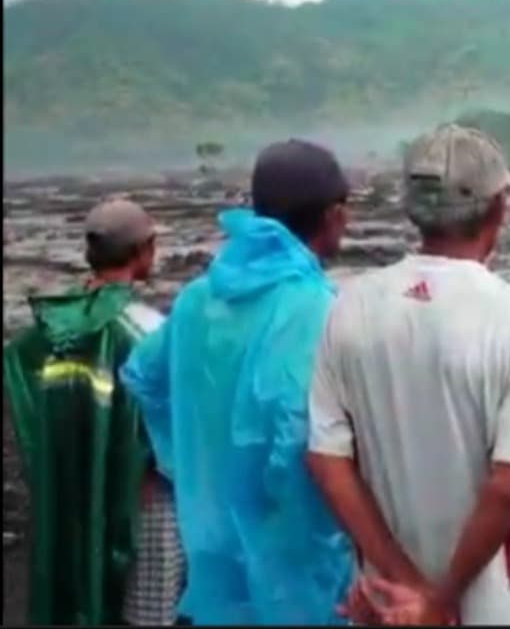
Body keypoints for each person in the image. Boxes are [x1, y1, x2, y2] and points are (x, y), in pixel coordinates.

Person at [306, 125, 510, 626]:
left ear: (412, 210)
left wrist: (403, 581)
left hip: (384, 598)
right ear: (497, 210)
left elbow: (327, 462)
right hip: (489, 601)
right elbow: (508, 487)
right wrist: (439, 602)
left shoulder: (347, 307)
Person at [120, 140, 355, 625]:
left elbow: (143, 378)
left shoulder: (195, 300)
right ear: (333, 216)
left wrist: (187, 465)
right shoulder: (317, 309)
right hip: (294, 566)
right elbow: (296, 435)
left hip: (211, 554)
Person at [2, 198, 185, 626]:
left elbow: (26, 387)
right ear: (144, 251)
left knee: (79, 593)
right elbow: (173, 428)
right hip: (144, 499)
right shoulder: (150, 330)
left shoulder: (50, 329)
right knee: (146, 612)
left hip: (71, 491)